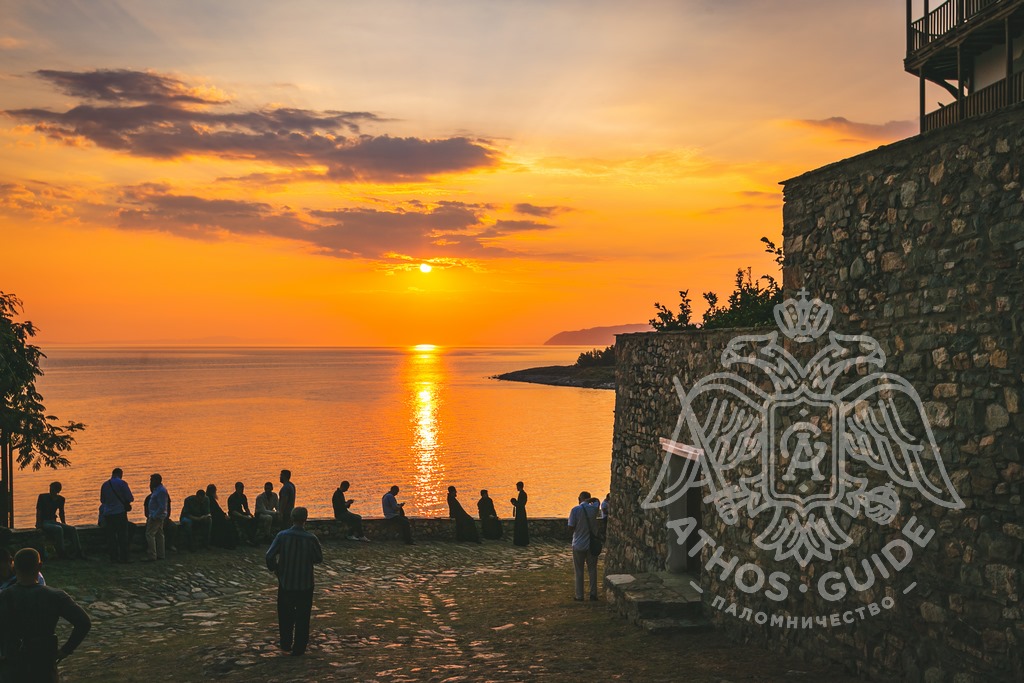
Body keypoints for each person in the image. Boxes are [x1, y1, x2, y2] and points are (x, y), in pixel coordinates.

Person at [0, 548, 91, 681]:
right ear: (40, 566)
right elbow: (84, 622)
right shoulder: (56, 596)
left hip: (12, 662)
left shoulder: (4, 597)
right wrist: (66, 650)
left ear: (14, 565)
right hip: (43, 660)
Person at [265, 507, 322, 657]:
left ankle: (285, 642)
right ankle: (299, 647)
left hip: (286, 583)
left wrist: (276, 569)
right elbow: (318, 558)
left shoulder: (282, 536)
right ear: (305, 519)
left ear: (292, 518)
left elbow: (269, 555)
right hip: (305, 584)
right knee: (303, 617)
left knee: (285, 615)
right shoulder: (311, 538)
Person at [36, 481, 84, 560]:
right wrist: (38, 524)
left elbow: (61, 513)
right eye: (50, 489)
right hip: (45, 522)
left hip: (53, 521)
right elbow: (39, 511)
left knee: (72, 529)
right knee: (59, 529)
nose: (51, 491)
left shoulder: (61, 499)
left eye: (53, 489)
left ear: (57, 491)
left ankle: (78, 552)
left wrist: (64, 524)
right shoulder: (42, 497)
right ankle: (61, 552)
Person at [568, 491, 601, 601]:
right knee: (592, 570)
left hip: (578, 544)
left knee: (579, 571)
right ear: (589, 499)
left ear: (580, 498)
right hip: (591, 545)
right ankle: (593, 594)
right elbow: (597, 501)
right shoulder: (594, 509)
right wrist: (591, 500)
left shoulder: (575, 510)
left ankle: (579, 595)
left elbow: (571, 527)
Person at [99, 467, 134, 563]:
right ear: (120, 474)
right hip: (120, 513)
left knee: (111, 537)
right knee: (122, 536)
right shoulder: (122, 483)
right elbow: (130, 498)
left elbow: (102, 500)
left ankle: (113, 558)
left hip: (108, 514)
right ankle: (124, 558)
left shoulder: (105, 485)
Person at [145, 473, 169, 561]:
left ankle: (152, 555)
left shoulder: (161, 491)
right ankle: (161, 554)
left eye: (152, 480)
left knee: (149, 534)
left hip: (156, 516)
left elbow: (162, 506)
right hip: (157, 516)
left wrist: (154, 516)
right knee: (159, 534)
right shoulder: (157, 490)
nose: (150, 482)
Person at [206, 484, 238, 549]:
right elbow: (216, 510)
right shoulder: (210, 499)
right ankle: (229, 543)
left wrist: (223, 514)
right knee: (227, 524)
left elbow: (217, 509)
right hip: (215, 517)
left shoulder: (209, 498)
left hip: (216, 516)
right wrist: (224, 515)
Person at [228, 481, 258, 546]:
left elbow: (246, 507)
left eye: (242, 488)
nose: (242, 490)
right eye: (240, 488)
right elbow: (233, 511)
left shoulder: (243, 496)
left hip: (241, 513)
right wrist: (243, 516)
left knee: (254, 520)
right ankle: (249, 539)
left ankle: (253, 537)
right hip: (234, 515)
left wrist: (250, 514)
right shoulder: (232, 498)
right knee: (245, 521)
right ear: (236, 488)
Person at [510, 481, 529, 546]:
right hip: (521, 512)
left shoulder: (522, 494)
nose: (516, 488)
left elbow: (521, 504)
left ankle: (521, 541)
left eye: (517, 487)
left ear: (519, 487)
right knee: (521, 526)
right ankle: (522, 541)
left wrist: (515, 503)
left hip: (521, 513)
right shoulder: (522, 493)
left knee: (520, 526)